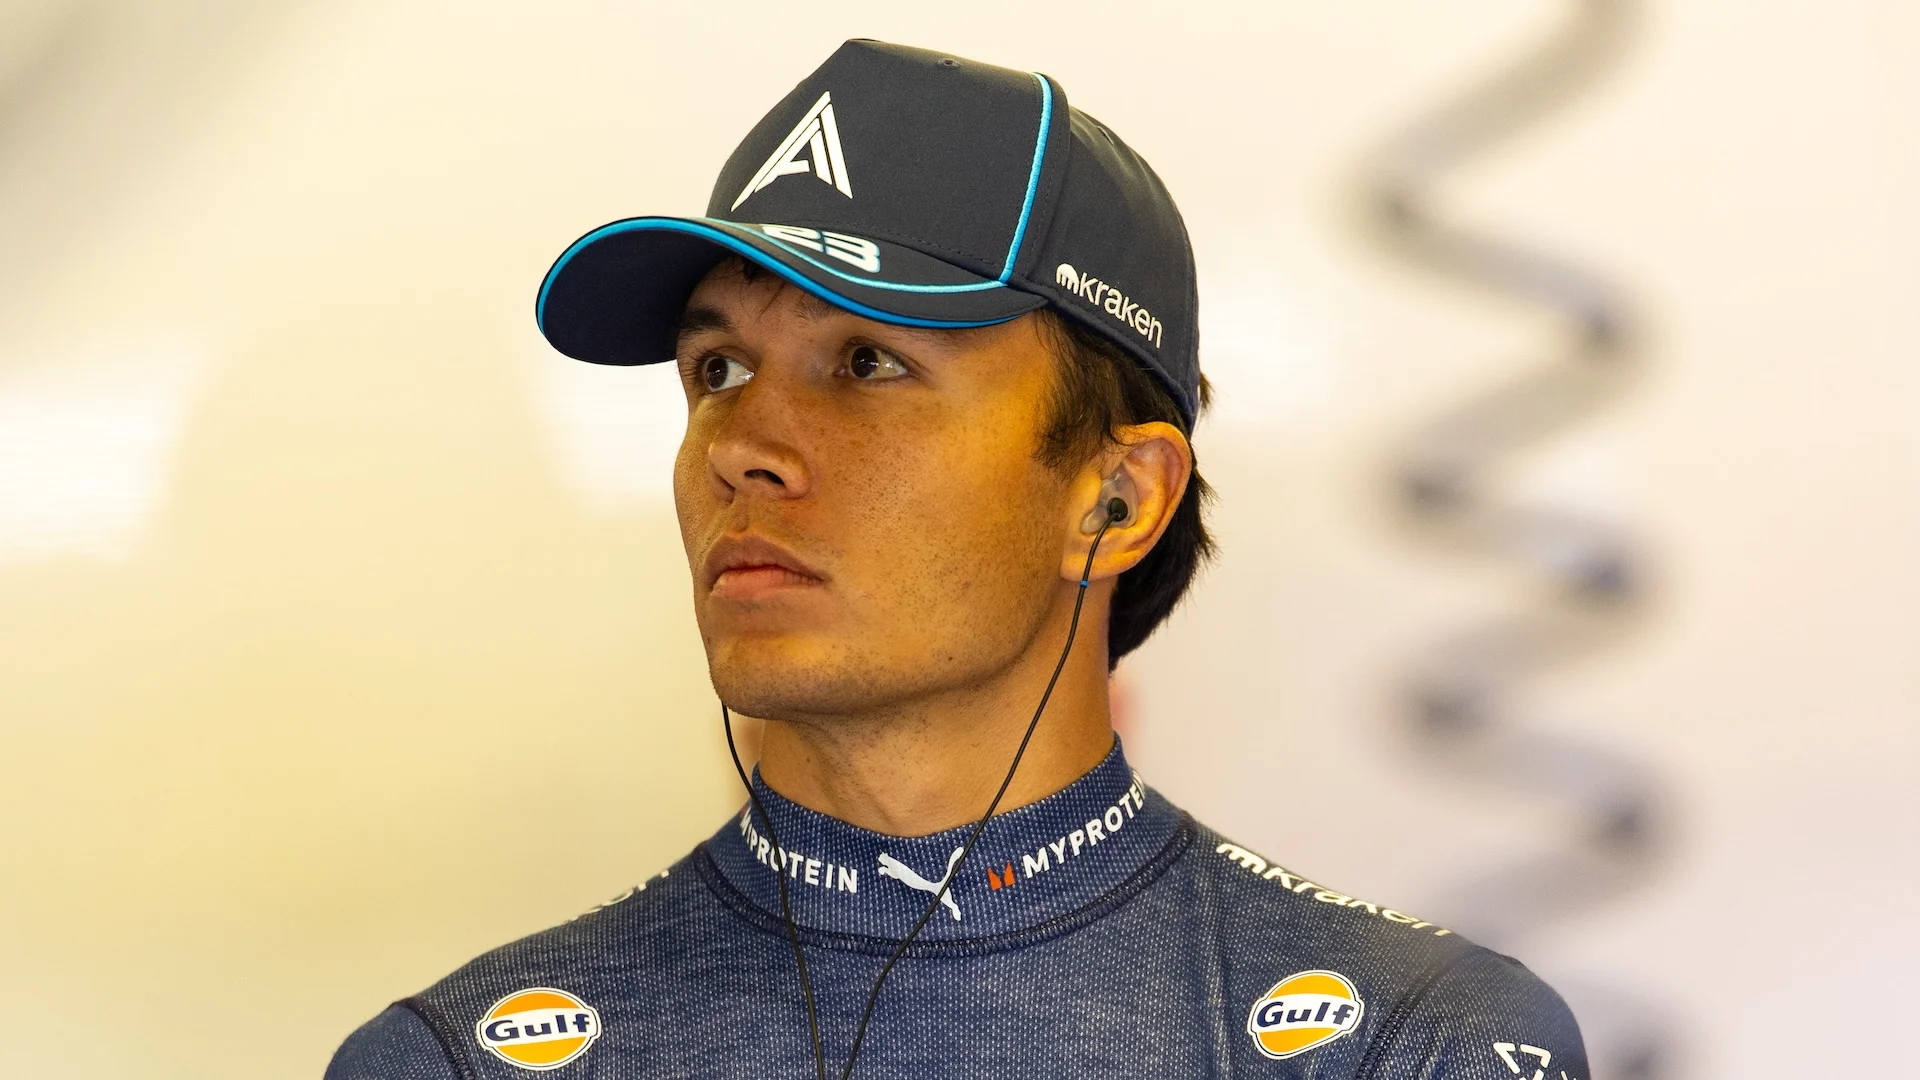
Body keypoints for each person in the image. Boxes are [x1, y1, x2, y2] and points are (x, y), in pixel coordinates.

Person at [326, 39, 1586, 1080]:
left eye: (870, 364)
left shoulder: (1418, 1048)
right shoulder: (452, 1063)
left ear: (1117, 496)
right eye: (717, 369)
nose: (744, 445)